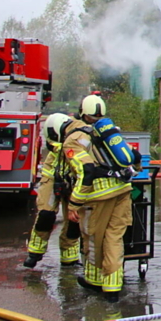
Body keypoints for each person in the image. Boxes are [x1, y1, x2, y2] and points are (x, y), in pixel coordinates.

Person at [65, 94, 134, 303]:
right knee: (114, 237)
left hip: (97, 196)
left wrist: (74, 203)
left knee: (94, 238)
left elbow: (85, 170)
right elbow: (133, 160)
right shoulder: (110, 132)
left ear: (81, 113)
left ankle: (94, 281)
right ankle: (112, 287)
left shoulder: (75, 139)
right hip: (123, 190)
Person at [23, 113, 81, 268]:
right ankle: (35, 253)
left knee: (74, 220)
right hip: (52, 178)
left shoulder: (77, 136)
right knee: (46, 215)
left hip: (72, 179)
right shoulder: (57, 145)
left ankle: (69, 257)